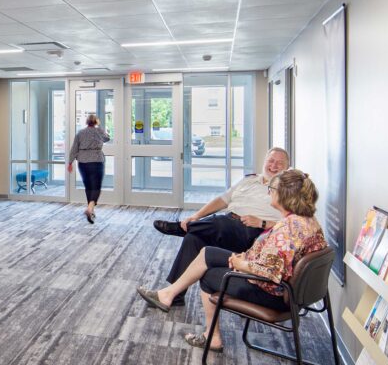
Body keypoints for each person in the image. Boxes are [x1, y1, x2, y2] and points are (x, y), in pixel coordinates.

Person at [137, 169, 326, 351]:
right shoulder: (306, 221)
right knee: (207, 252)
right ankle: (168, 295)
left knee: (209, 275)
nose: (270, 193)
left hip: (270, 292)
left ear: (285, 195)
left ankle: (212, 337)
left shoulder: (288, 229)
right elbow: (274, 261)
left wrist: (240, 264)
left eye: (272, 189)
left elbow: (270, 271)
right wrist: (244, 258)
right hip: (281, 285)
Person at [154, 147, 289, 305]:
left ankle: (182, 228)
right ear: (264, 161)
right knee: (193, 238)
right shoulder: (249, 180)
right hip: (227, 226)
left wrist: (263, 222)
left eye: (280, 163)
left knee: (220, 222)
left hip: (254, 233)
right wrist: (196, 216)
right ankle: (175, 296)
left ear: (287, 168)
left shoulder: (286, 190)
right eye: (271, 161)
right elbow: (223, 200)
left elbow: (290, 225)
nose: (274, 165)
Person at [66, 114, 110, 223]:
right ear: (96, 122)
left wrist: (70, 162)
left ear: (87, 122)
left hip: (83, 162)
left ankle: (91, 210)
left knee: (88, 186)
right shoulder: (99, 131)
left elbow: (74, 148)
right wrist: (102, 130)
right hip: (96, 160)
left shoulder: (80, 133)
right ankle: (90, 208)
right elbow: (107, 138)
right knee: (96, 186)